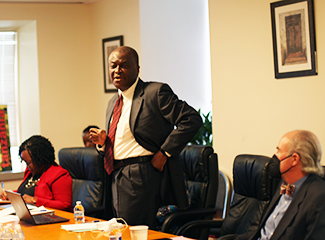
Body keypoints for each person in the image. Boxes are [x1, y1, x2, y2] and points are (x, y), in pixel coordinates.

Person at [89, 46, 202, 229]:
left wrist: (165, 152)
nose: (117, 71)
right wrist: (103, 144)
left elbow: (191, 119)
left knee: (136, 232)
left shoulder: (155, 92)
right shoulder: (113, 102)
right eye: (113, 66)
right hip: (115, 176)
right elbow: (123, 143)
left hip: (141, 175)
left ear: (137, 69)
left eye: (124, 66)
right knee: (120, 231)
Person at [240, 130, 325, 240]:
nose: (274, 156)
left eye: (278, 151)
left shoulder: (319, 196)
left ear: (294, 159)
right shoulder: (283, 183)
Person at [0, 135, 73, 212]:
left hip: (50, 218)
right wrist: (11, 194)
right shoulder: (30, 172)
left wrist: (34, 200)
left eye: (29, 163)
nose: (27, 166)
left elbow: (65, 205)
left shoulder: (59, 175)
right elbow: (26, 193)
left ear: (40, 159)